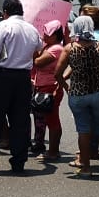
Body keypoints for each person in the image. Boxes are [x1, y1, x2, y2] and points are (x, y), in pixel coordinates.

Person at [0, 0, 42, 174]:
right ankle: (19, 161)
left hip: (3, 76)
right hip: (23, 78)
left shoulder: (3, 26)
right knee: (20, 121)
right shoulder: (32, 29)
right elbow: (39, 47)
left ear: (5, 12)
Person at [54, 16, 99, 176]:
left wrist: (66, 87)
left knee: (83, 130)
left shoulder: (69, 48)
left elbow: (57, 73)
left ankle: (86, 167)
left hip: (78, 94)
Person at [30, 19, 66, 160]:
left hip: (50, 87)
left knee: (52, 120)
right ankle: (52, 149)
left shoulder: (56, 48)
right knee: (48, 119)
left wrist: (33, 52)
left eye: (48, 34)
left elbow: (38, 62)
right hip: (44, 86)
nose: (44, 35)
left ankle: (53, 151)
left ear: (56, 35)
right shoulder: (48, 47)